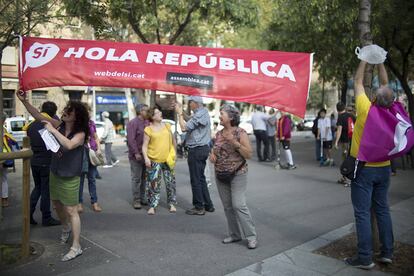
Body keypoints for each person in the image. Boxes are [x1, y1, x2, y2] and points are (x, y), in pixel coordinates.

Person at [17, 91, 89, 262]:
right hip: (55, 171)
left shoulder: (80, 133)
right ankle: (65, 227)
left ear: (76, 116)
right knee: (56, 203)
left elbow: (69, 145)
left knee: (71, 210)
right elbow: (36, 115)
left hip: (71, 176)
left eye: (69, 111)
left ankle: (76, 246)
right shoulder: (58, 125)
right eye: (65, 109)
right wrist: (25, 101)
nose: (64, 112)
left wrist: (52, 131)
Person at [344, 60, 394, 269]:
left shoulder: (366, 109)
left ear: (374, 98)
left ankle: (365, 257)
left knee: (362, 213)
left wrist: (365, 58)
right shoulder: (392, 110)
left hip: (364, 169)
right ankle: (387, 253)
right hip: (384, 168)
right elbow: (385, 84)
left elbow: (357, 82)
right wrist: (381, 61)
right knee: (382, 209)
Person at [210, 105, 257, 249]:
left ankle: (251, 236)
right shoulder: (218, 134)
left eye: (222, 114)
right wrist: (212, 155)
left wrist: (234, 142)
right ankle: (235, 234)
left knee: (238, 205)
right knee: (228, 207)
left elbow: (248, 154)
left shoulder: (240, 132)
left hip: (238, 173)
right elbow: (215, 150)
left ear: (231, 117)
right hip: (221, 174)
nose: (219, 116)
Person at [175, 96, 214, 215]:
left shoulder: (200, 114)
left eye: (190, 103)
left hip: (197, 149)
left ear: (196, 103)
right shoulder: (201, 113)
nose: (189, 105)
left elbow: (183, 128)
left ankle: (199, 207)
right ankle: (207, 204)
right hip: (201, 148)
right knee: (201, 178)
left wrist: (179, 114)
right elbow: (190, 120)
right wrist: (182, 112)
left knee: (196, 179)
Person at [26, 101, 61, 226]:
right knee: (46, 190)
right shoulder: (51, 125)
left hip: (34, 161)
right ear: (54, 113)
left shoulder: (31, 125)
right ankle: (46, 217)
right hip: (46, 162)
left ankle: (28, 214)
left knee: (37, 188)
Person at [142, 107, 177, 215]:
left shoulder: (167, 126)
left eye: (160, 111)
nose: (161, 113)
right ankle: (152, 205)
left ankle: (171, 204)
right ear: (152, 117)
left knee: (170, 183)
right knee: (153, 184)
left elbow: (173, 141)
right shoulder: (148, 129)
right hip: (154, 160)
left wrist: (174, 153)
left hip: (167, 160)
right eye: (157, 112)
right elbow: (144, 146)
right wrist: (146, 158)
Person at [78, 109, 103, 213]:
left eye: (89, 112)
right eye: (86, 112)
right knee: (81, 180)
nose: (88, 113)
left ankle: (95, 202)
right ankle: (79, 203)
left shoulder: (91, 123)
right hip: (81, 153)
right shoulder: (78, 124)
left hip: (92, 153)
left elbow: (96, 137)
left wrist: (99, 148)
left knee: (92, 178)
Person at [126, 103, 149, 209]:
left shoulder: (148, 122)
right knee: (136, 178)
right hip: (136, 156)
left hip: (147, 155)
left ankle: (143, 198)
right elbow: (131, 139)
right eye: (146, 110)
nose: (148, 112)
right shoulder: (133, 123)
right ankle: (136, 200)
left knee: (144, 178)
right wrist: (136, 152)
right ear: (140, 111)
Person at [334, 102, 355, 186]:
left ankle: (347, 179)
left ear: (337, 109)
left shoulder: (340, 117)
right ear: (344, 108)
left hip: (345, 141)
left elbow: (339, 130)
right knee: (351, 158)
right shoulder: (351, 115)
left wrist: (336, 142)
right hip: (353, 140)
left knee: (346, 160)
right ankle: (344, 178)